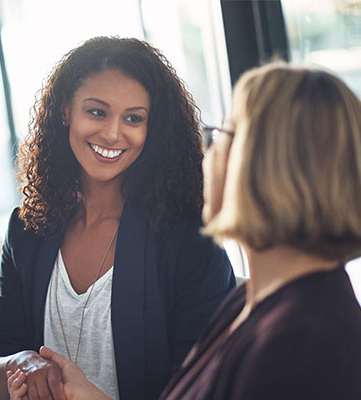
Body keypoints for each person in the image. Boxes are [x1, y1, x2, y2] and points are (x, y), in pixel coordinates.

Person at [31, 62, 361, 399]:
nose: (207, 152)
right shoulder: (249, 304)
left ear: (269, 166)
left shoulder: (304, 340)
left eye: (224, 136)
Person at [0, 36, 235, 400]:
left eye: (133, 118)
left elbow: (209, 391)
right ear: (65, 110)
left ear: (151, 128)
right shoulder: (28, 229)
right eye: (97, 112)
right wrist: (21, 364)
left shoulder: (188, 240)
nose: (112, 133)